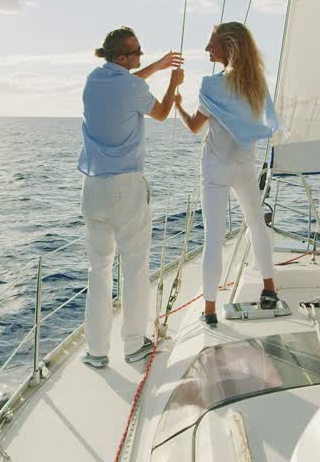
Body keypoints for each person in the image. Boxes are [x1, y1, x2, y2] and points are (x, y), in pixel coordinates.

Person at [78, 26, 184, 368]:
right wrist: (173, 83)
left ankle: (96, 351)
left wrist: (155, 65)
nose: (141, 56)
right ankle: (134, 344)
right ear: (123, 58)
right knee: (135, 269)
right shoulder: (133, 87)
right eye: (137, 52)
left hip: (92, 188)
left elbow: (128, 82)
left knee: (99, 270)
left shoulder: (95, 80)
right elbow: (162, 112)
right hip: (126, 188)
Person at [174, 22, 280, 327]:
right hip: (245, 166)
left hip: (216, 166)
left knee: (214, 238)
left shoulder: (210, 85)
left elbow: (196, 127)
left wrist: (179, 107)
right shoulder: (257, 83)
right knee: (256, 224)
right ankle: (269, 288)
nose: (208, 49)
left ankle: (209, 310)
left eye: (212, 44)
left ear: (228, 48)